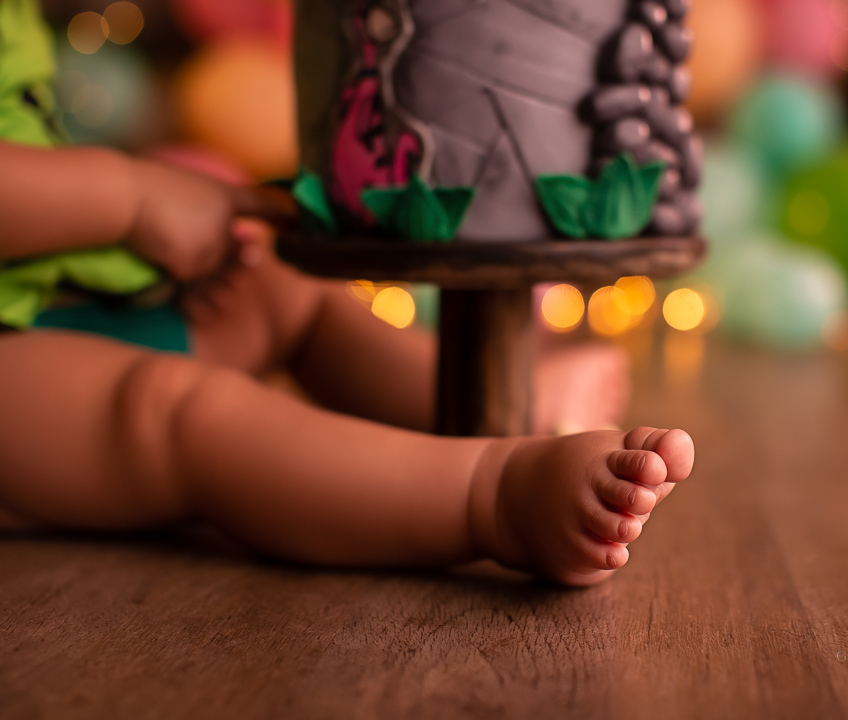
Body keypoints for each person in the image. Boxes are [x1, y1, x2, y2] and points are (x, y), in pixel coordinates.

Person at [0, 0, 694, 586]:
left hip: (45, 303)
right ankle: (489, 494)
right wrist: (128, 200)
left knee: (279, 293)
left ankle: (510, 401)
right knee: (181, 413)